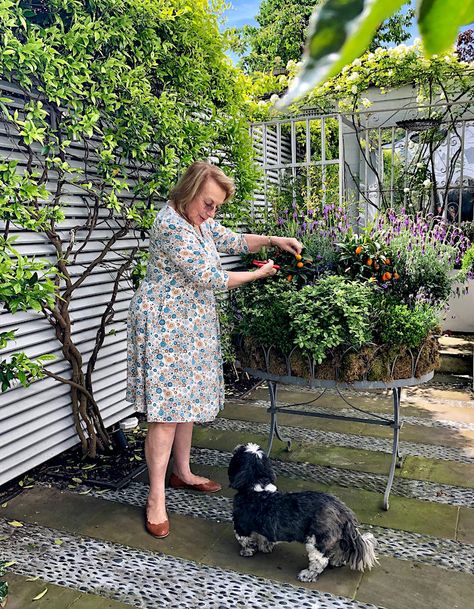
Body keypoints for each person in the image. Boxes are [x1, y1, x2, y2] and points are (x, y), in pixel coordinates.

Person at [126, 161, 302, 538]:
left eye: (216, 206)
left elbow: (235, 240)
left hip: (190, 323)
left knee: (185, 400)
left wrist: (273, 240)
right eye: (209, 204)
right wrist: (256, 275)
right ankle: (156, 496)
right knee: (166, 411)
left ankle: (183, 473)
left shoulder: (199, 222)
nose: (212, 212)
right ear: (189, 192)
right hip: (164, 325)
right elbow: (209, 277)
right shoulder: (170, 226)